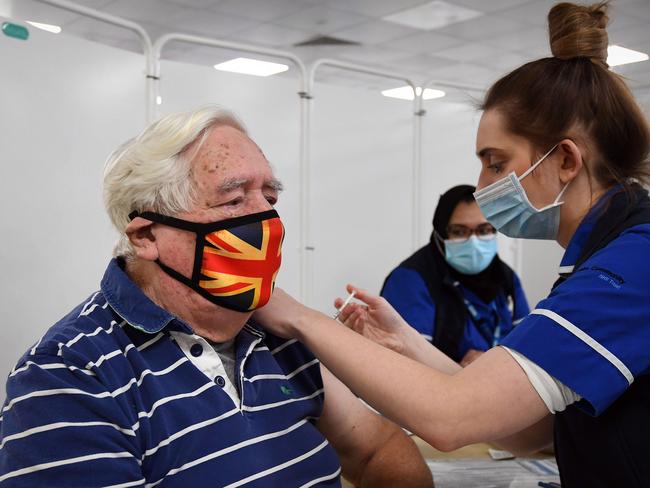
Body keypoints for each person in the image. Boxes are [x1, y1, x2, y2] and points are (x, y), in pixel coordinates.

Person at [253, 3, 650, 487]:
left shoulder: (629, 267)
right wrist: (404, 344)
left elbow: (452, 419)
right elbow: (528, 430)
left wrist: (297, 316)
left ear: (565, 159)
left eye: (496, 163)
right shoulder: (600, 260)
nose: (482, 186)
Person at [0, 107, 433, 487]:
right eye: (234, 199)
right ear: (148, 234)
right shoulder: (68, 375)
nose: (265, 218)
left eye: (269, 196)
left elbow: (379, 449)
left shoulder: (276, 330)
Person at [381, 185, 529, 366]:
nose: (473, 241)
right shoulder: (409, 281)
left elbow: (528, 347)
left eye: (484, 230)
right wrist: (457, 370)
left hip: (501, 387)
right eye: (459, 232)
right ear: (441, 234)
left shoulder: (505, 278)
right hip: (434, 391)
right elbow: (403, 365)